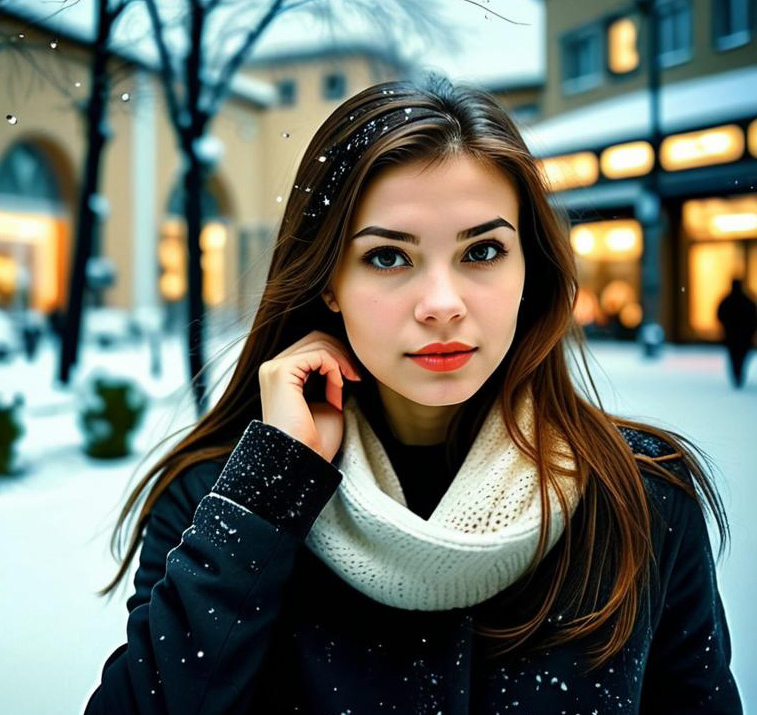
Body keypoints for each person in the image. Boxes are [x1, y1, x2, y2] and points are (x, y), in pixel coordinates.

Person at [83, 76, 742, 714]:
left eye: (482, 251)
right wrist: (270, 488)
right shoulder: (222, 495)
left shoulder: (642, 495)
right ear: (328, 281)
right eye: (388, 257)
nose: (441, 305)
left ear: (529, 270)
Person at [716, 278, 757, 389]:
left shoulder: (728, 300)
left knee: (734, 357)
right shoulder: (747, 301)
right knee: (741, 357)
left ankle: (737, 375)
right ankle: (739, 375)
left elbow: (720, 315)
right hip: (743, 336)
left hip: (732, 336)